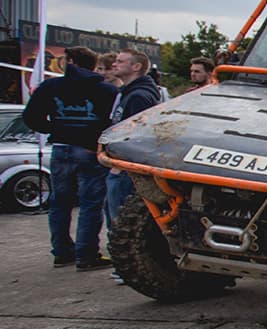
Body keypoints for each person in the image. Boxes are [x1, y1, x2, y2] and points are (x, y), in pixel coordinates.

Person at [22, 45, 118, 270]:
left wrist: (55, 129)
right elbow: (115, 123)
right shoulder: (106, 90)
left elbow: (31, 116)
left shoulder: (51, 86)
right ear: (92, 65)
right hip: (89, 150)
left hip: (61, 147)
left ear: (70, 62)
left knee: (60, 202)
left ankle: (62, 251)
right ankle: (86, 255)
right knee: (90, 203)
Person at [105, 48, 162, 224]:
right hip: (121, 168)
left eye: (120, 61)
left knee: (120, 223)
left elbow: (140, 136)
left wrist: (121, 165)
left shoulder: (139, 97)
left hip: (126, 171)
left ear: (136, 67)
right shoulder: (129, 93)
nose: (114, 64)